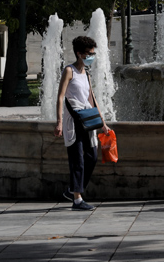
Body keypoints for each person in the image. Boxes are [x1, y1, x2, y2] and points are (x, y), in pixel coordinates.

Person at [54, 36, 109, 211]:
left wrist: (103, 122)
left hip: (88, 118)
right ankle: (77, 199)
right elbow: (61, 96)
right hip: (73, 120)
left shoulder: (87, 73)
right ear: (79, 53)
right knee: (77, 159)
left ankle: (73, 190)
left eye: (93, 53)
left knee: (92, 156)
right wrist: (59, 121)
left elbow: (92, 98)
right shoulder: (69, 71)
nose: (92, 56)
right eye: (89, 53)